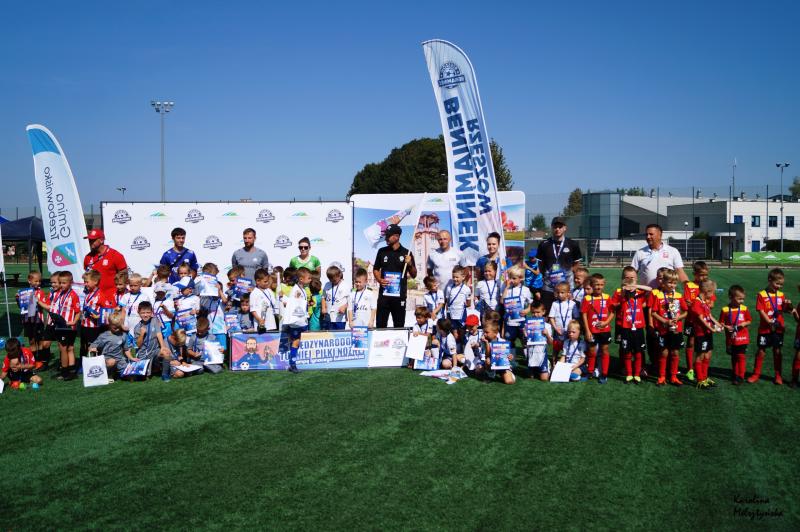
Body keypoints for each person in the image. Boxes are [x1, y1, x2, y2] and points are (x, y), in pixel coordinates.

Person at [748, 268, 793, 384]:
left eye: (781, 285)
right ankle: (756, 374)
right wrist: (769, 322)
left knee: (777, 351)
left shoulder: (781, 295)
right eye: (777, 284)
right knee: (761, 350)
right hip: (765, 328)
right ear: (769, 280)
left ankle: (778, 375)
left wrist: (788, 305)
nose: (779, 286)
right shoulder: (762, 294)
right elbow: (761, 310)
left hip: (778, 328)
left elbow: (784, 310)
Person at [38, 271, 81, 381]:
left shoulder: (73, 295)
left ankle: (64, 372)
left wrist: (74, 321)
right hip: (61, 325)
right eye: (60, 283)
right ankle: (71, 371)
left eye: (64, 283)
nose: (61, 285)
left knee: (63, 348)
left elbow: (78, 311)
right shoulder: (61, 294)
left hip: (67, 327)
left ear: (70, 283)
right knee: (69, 348)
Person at [649, 269, 688, 386]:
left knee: (675, 353)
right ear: (663, 282)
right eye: (670, 282)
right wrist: (665, 321)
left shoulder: (678, 296)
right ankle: (662, 376)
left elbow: (686, 312)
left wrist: (679, 318)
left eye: (674, 283)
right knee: (664, 353)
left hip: (676, 329)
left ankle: (673, 376)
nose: (672, 285)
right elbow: (653, 313)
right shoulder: (659, 296)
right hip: (663, 330)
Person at [373, 224, 417, 328]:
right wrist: (379, 279)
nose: (386, 238)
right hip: (384, 296)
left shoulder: (407, 253)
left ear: (396, 236)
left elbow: (414, 275)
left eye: (388, 235)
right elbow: (376, 269)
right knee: (380, 325)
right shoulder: (382, 251)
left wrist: (410, 264)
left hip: (399, 296)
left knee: (399, 326)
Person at [535, 217, 583, 312]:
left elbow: (577, 262)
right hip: (548, 285)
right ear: (552, 228)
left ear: (565, 228)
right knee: (547, 311)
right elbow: (540, 263)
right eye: (555, 227)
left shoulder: (573, 244)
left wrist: (569, 273)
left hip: (566, 284)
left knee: (566, 312)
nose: (557, 229)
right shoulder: (544, 244)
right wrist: (546, 274)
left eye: (560, 227)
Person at [612, 276, 650, 384]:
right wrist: (624, 289)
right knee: (627, 352)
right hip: (626, 328)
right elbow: (616, 301)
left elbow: (650, 289)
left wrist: (635, 285)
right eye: (627, 286)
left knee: (638, 352)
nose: (630, 289)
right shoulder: (623, 297)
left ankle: (637, 374)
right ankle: (629, 374)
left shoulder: (639, 296)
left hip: (638, 328)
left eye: (631, 286)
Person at [689, 280, 723, 389]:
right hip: (701, 333)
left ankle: (705, 377)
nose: (713, 295)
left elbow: (709, 316)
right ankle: (700, 380)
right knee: (700, 356)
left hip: (707, 332)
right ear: (707, 291)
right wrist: (712, 328)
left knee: (708, 355)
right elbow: (701, 319)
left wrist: (719, 325)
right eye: (712, 292)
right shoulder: (697, 302)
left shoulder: (704, 302)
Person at [631, 224, 689, 289]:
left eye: (651, 234)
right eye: (646, 234)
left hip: (667, 293)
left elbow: (680, 271)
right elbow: (632, 273)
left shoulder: (673, 251)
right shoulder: (640, 252)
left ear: (660, 235)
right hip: (646, 293)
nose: (648, 237)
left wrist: (688, 287)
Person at [581, 273, 614, 384]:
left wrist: (606, 323)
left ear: (604, 284)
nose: (599, 287)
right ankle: (590, 372)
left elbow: (612, 312)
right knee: (592, 351)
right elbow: (584, 314)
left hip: (605, 330)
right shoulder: (587, 298)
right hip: (592, 330)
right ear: (591, 285)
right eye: (596, 284)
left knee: (604, 350)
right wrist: (587, 330)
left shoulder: (607, 297)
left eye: (601, 284)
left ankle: (604, 373)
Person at [682, 261, 712, 381]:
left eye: (706, 275)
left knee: (705, 347)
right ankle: (690, 369)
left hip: (704, 322)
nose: (704, 277)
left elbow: (712, 303)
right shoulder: (689, 286)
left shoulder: (707, 285)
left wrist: (697, 304)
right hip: (691, 320)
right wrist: (701, 304)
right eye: (701, 275)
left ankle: (702, 370)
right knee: (691, 342)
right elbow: (687, 303)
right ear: (695, 274)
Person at [89, 310, 135, 383]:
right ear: (109, 325)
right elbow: (93, 345)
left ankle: (117, 372)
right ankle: (108, 375)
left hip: (119, 359)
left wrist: (132, 358)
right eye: (115, 327)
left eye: (119, 327)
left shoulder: (123, 335)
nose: (117, 329)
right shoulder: (104, 335)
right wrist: (93, 348)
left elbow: (126, 349)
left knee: (131, 375)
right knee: (111, 362)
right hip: (106, 359)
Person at [83, 228, 128, 299]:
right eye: (89, 240)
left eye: (93, 240)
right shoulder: (88, 257)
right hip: (93, 298)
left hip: (112, 297)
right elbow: (87, 276)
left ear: (101, 240)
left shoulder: (115, 255)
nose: (90, 242)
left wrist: (120, 294)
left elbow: (124, 275)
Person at [719, 285, 751, 385]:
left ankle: (741, 376)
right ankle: (735, 373)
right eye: (739, 299)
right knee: (733, 356)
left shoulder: (744, 308)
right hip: (731, 338)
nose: (742, 301)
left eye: (743, 299)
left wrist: (744, 324)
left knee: (741, 356)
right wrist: (726, 327)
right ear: (731, 297)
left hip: (742, 337)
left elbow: (749, 320)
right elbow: (720, 323)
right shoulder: (725, 310)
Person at [17, 271, 46, 367]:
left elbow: (44, 305)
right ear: (29, 281)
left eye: (39, 281)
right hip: (27, 320)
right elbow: (21, 307)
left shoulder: (40, 292)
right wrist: (18, 299)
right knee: (31, 341)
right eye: (36, 281)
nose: (38, 283)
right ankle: (34, 360)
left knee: (39, 341)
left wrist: (37, 300)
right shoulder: (24, 292)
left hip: (38, 320)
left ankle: (40, 360)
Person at [525, 301, 552, 381]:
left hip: (541, 355)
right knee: (530, 377)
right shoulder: (527, 325)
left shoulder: (547, 326)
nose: (535, 314)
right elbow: (525, 343)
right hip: (531, 355)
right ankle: (535, 370)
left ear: (543, 312)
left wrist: (547, 334)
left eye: (538, 312)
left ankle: (547, 364)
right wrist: (525, 335)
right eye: (533, 312)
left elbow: (550, 343)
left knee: (544, 379)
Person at [250, 268, 279, 333]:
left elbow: (274, 303)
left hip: (271, 322)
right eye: (265, 281)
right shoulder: (254, 293)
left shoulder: (269, 291)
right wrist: (259, 319)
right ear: (258, 281)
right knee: (262, 339)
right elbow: (253, 310)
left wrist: (279, 296)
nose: (267, 283)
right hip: (260, 324)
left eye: (268, 281)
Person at [322, 265, 349, 330]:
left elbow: (350, 301)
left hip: (340, 318)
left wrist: (344, 306)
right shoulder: (327, 284)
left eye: (334, 280)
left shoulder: (345, 285)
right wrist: (323, 308)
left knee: (339, 335)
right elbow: (323, 297)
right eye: (330, 279)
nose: (332, 281)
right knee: (329, 335)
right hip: (328, 318)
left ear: (339, 275)